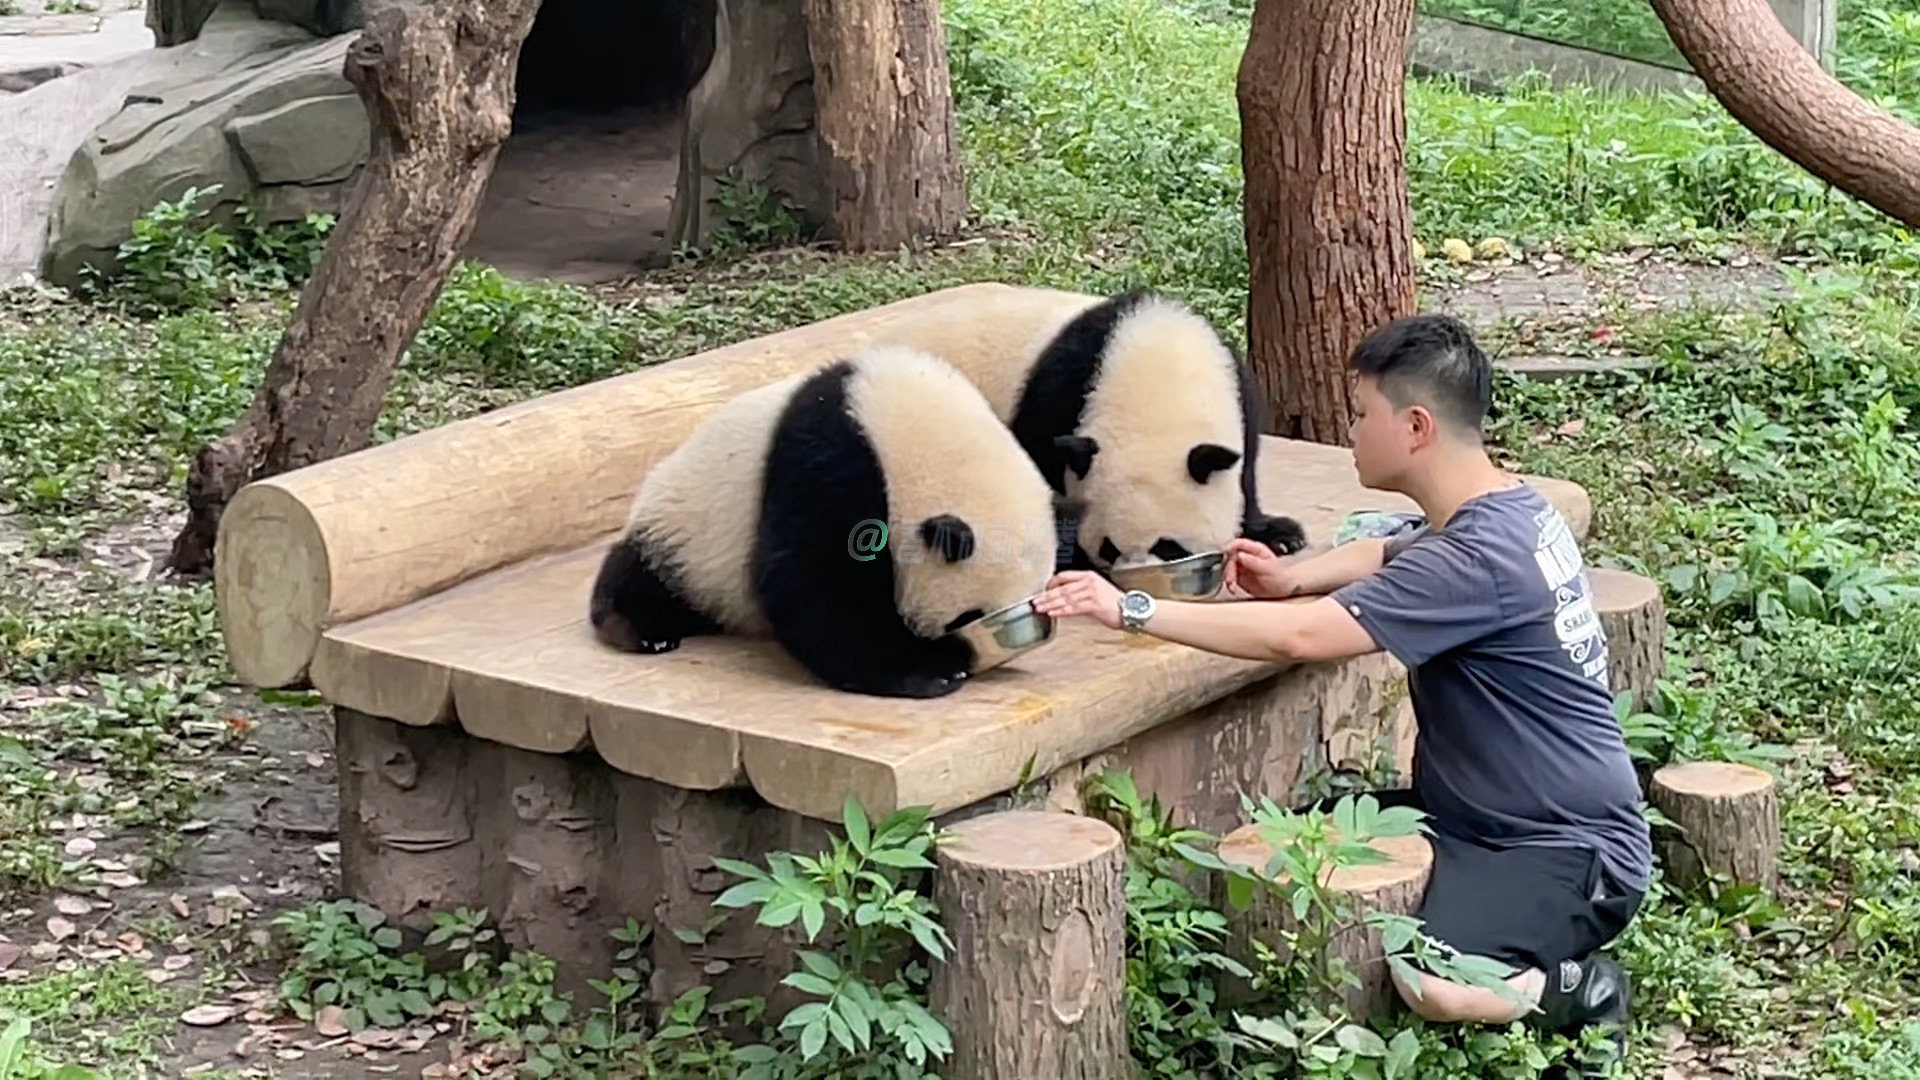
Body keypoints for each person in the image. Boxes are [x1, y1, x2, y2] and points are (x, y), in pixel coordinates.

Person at [1034, 313, 1650, 1074]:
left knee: (1435, 984)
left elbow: (1303, 638)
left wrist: (1129, 606)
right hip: (1482, 814)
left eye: (1362, 415)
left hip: (1564, 850)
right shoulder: (1506, 508)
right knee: (1298, 849)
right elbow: (1392, 545)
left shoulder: (1475, 561)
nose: (1350, 432)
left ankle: (1581, 987)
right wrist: (1292, 575)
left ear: (1416, 426)